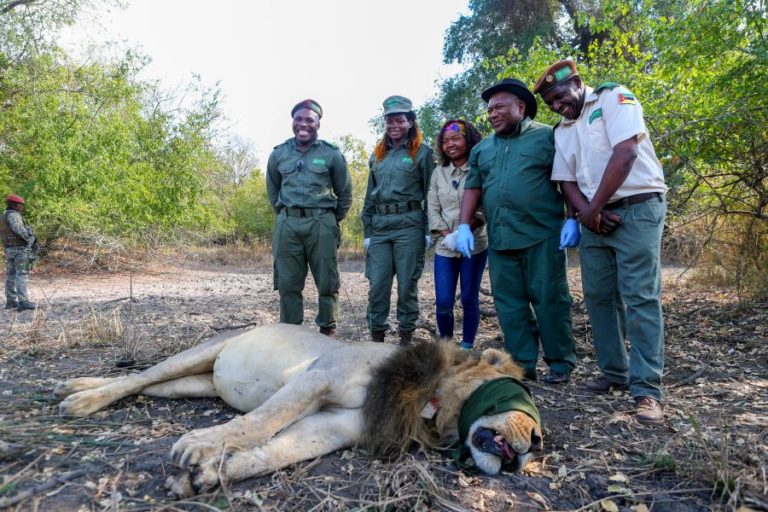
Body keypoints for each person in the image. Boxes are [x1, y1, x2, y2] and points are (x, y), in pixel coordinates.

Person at [534, 59, 668, 424]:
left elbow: (626, 152)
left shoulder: (613, 97)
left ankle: (646, 390)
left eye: (561, 96)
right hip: (594, 219)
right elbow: (566, 181)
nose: (559, 106)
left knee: (640, 295)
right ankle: (614, 373)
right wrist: (587, 214)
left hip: (636, 208)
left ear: (577, 83)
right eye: (552, 104)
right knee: (598, 297)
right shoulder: (561, 131)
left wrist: (591, 211)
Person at [454, 78, 578, 384]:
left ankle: (560, 364)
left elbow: (569, 178)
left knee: (550, 300)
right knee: (509, 306)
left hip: (542, 235)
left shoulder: (549, 137)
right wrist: (463, 226)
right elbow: (473, 188)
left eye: (499, 107)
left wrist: (573, 217)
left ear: (520, 107)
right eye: (489, 109)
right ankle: (522, 365)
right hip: (501, 239)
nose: (492, 114)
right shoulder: (482, 149)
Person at [266, 99, 352, 337]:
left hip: (321, 223)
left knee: (327, 281)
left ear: (318, 124)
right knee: (287, 284)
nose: (303, 124)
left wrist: (331, 221)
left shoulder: (331, 154)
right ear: (292, 122)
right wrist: (286, 215)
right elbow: (273, 190)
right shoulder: (279, 154)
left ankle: (327, 332)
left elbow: (344, 192)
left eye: (309, 120)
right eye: (298, 119)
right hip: (287, 224)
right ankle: (291, 336)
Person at [361, 95, 435, 346]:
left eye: (399, 120)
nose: (393, 125)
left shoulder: (422, 153)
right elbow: (369, 195)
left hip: (409, 225)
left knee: (407, 286)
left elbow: (430, 194)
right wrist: (368, 231)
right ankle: (376, 339)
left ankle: (405, 338)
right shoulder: (377, 154)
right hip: (381, 226)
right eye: (389, 121)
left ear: (410, 122)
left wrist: (428, 230)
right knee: (377, 285)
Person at [427, 119, 488, 350]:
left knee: (469, 298)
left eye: (455, 138)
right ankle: (447, 346)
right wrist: (447, 233)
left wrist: (466, 229)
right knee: (443, 301)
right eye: (445, 141)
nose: (450, 144)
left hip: (475, 244)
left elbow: (484, 206)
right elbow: (432, 206)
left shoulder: (479, 169)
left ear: (468, 140)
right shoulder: (438, 173)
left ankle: (467, 346)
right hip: (445, 245)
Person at [2, 194, 38, 311]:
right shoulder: (14, 215)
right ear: (14, 205)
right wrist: (31, 239)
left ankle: (11, 301)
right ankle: (23, 301)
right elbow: (19, 230)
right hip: (20, 250)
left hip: (9, 249)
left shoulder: (3, 216)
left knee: (11, 275)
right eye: (20, 205)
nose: (21, 207)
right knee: (21, 274)